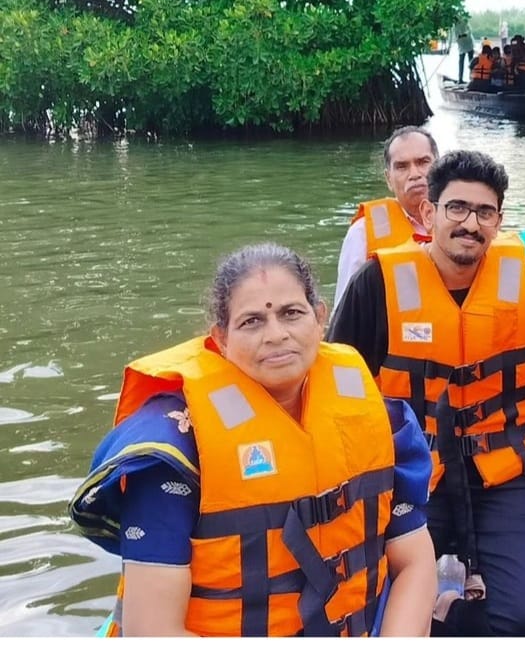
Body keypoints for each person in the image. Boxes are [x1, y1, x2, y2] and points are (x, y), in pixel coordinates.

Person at [69, 243, 437, 637]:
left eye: (291, 313)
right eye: (251, 322)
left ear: (320, 318)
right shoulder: (174, 451)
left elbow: (415, 562)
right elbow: (152, 631)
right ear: (221, 339)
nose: (276, 335)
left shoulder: (379, 418)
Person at [328, 150, 525, 637]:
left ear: (499, 221)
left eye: (485, 212)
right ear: (429, 213)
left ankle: (459, 616)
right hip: (410, 477)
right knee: (371, 608)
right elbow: (335, 401)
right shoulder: (376, 285)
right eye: (457, 208)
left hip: (512, 474)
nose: (471, 224)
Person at [335, 125, 438, 309]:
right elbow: (345, 312)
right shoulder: (363, 233)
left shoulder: (462, 222)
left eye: (423, 162)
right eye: (401, 166)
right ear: (388, 179)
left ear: (440, 168)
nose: (414, 174)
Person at [454, 16, 475, 83]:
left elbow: (469, 31)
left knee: (471, 62)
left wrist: (464, 35)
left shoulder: (464, 21)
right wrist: (459, 37)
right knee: (461, 62)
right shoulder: (454, 26)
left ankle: (472, 78)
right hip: (461, 46)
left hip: (469, 44)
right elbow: (456, 37)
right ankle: (460, 79)